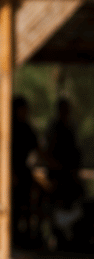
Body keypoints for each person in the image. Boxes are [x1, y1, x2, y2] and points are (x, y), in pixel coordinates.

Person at [45, 99, 84, 247]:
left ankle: (71, 239)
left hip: (70, 177)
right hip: (59, 176)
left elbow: (75, 153)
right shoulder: (55, 129)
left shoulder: (70, 128)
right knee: (58, 208)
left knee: (74, 207)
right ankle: (59, 238)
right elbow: (50, 152)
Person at [11, 96, 41, 249]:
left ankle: (28, 239)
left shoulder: (26, 128)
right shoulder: (9, 128)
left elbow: (38, 149)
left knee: (27, 208)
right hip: (12, 173)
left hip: (23, 173)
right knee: (13, 209)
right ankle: (13, 240)